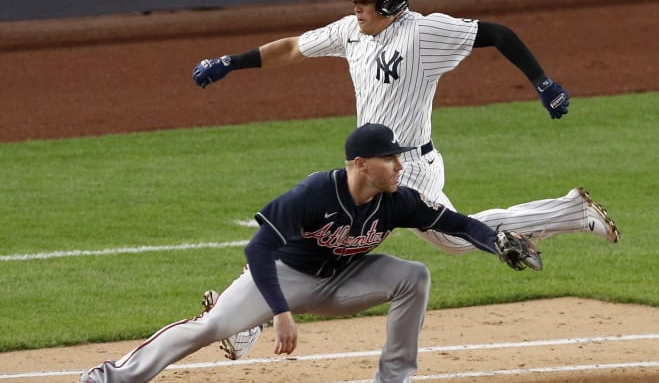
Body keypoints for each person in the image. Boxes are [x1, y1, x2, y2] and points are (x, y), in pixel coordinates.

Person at [78, 123, 541, 383]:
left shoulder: (399, 199)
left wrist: (495, 243)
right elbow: (258, 248)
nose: (401, 165)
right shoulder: (316, 192)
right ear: (362, 165)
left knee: (414, 274)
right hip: (284, 277)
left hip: (345, 280)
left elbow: (459, 224)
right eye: (391, 159)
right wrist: (278, 312)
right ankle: (109, 379)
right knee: (212, 325)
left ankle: (392, 379)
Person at [191, 0, 619, 255]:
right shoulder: (350, 32)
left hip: (409, 166)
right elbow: (292, 48)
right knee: (337, 229)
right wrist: (230, 61)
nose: (356, 9)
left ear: (389, 1)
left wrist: (543, 83)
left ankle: (250, 316)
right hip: (369, 165)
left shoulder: (423, 32)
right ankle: (570, 213)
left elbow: (498, 34)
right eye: (355, 2)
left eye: (364, 2)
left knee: (343, 233)